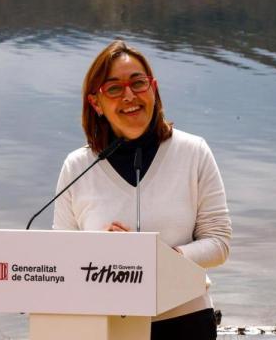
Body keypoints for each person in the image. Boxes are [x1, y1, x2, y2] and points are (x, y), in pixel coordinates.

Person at [53, 39, 231, 339]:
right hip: (105, 325)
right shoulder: (77, 166)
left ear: (153, 88)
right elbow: (61, 257)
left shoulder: (193, 151)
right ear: (96, 103)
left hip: (186, 321)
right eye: (113, 88)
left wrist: (154, 257)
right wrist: (103, 252)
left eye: (138, 83)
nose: (129, 95)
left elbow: (219, 244)